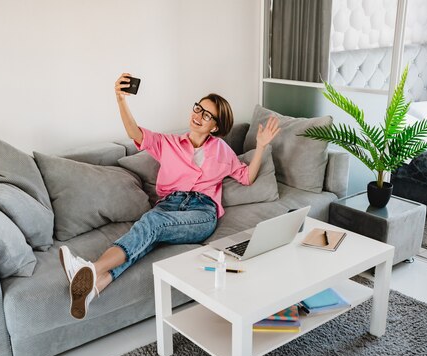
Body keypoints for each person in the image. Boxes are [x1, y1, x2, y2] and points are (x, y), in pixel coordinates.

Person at [59, 73, 281, 319]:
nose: (198, 116)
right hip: (168, 206)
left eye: (206, 115)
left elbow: (246, 177)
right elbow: (136, 132)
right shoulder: (168, 143)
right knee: (145, 236)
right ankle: (94, 287)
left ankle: (89, 268)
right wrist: (120, 99)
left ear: (215, 126)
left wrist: (260, 146)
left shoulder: (222, 151)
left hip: (201, 212)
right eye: (198, 109)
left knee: (151, 224)